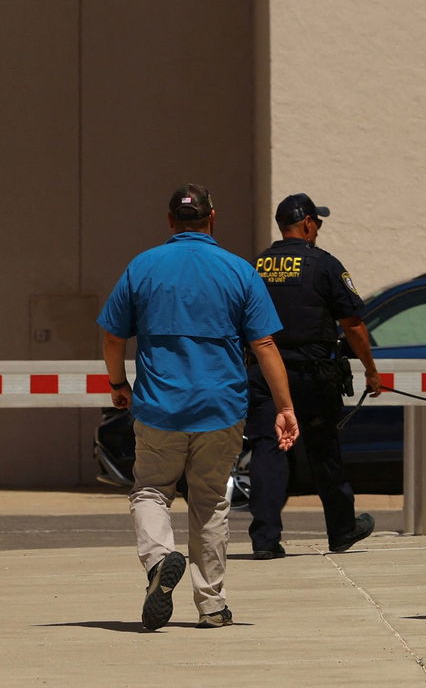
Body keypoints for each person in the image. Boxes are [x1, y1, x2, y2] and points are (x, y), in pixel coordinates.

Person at [98, 183, 299, 630]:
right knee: (210, 502)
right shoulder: (238, 271)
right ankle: (212, 605)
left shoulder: (142, 267)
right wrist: (284, 406)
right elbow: (264, 343)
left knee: (151, 491)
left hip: (159, 406)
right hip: (221, 407)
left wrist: (118, 383)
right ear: (213, 217)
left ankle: (160, 561)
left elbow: (113, 335)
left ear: (170, 221)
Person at [244, 193, 381, 559]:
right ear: (306, 224)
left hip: (265, 374)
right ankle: (341, 530)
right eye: (317, 222)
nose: (318, 229)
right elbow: (353, 325)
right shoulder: (324, 265)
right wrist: (370, 369)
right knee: (324, 451)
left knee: (267, 451)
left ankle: (265, 539)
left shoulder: (255, 266)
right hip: (313, 374)